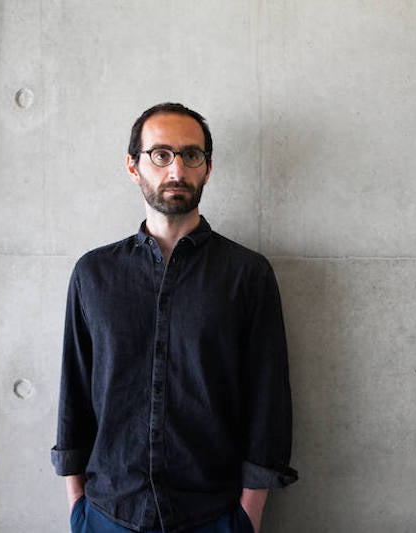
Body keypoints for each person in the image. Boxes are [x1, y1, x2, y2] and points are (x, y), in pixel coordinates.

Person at [51, 103, 298, 533]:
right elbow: (74, 391)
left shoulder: (247, 274)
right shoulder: (94, 273)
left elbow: (267, 400)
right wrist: (78, 507)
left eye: (191, 155)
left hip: (214, 515)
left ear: (208, 168)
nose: (177, 170)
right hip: (107, 512)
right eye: (161, 154)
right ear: (134, 166)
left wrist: (248, 515)